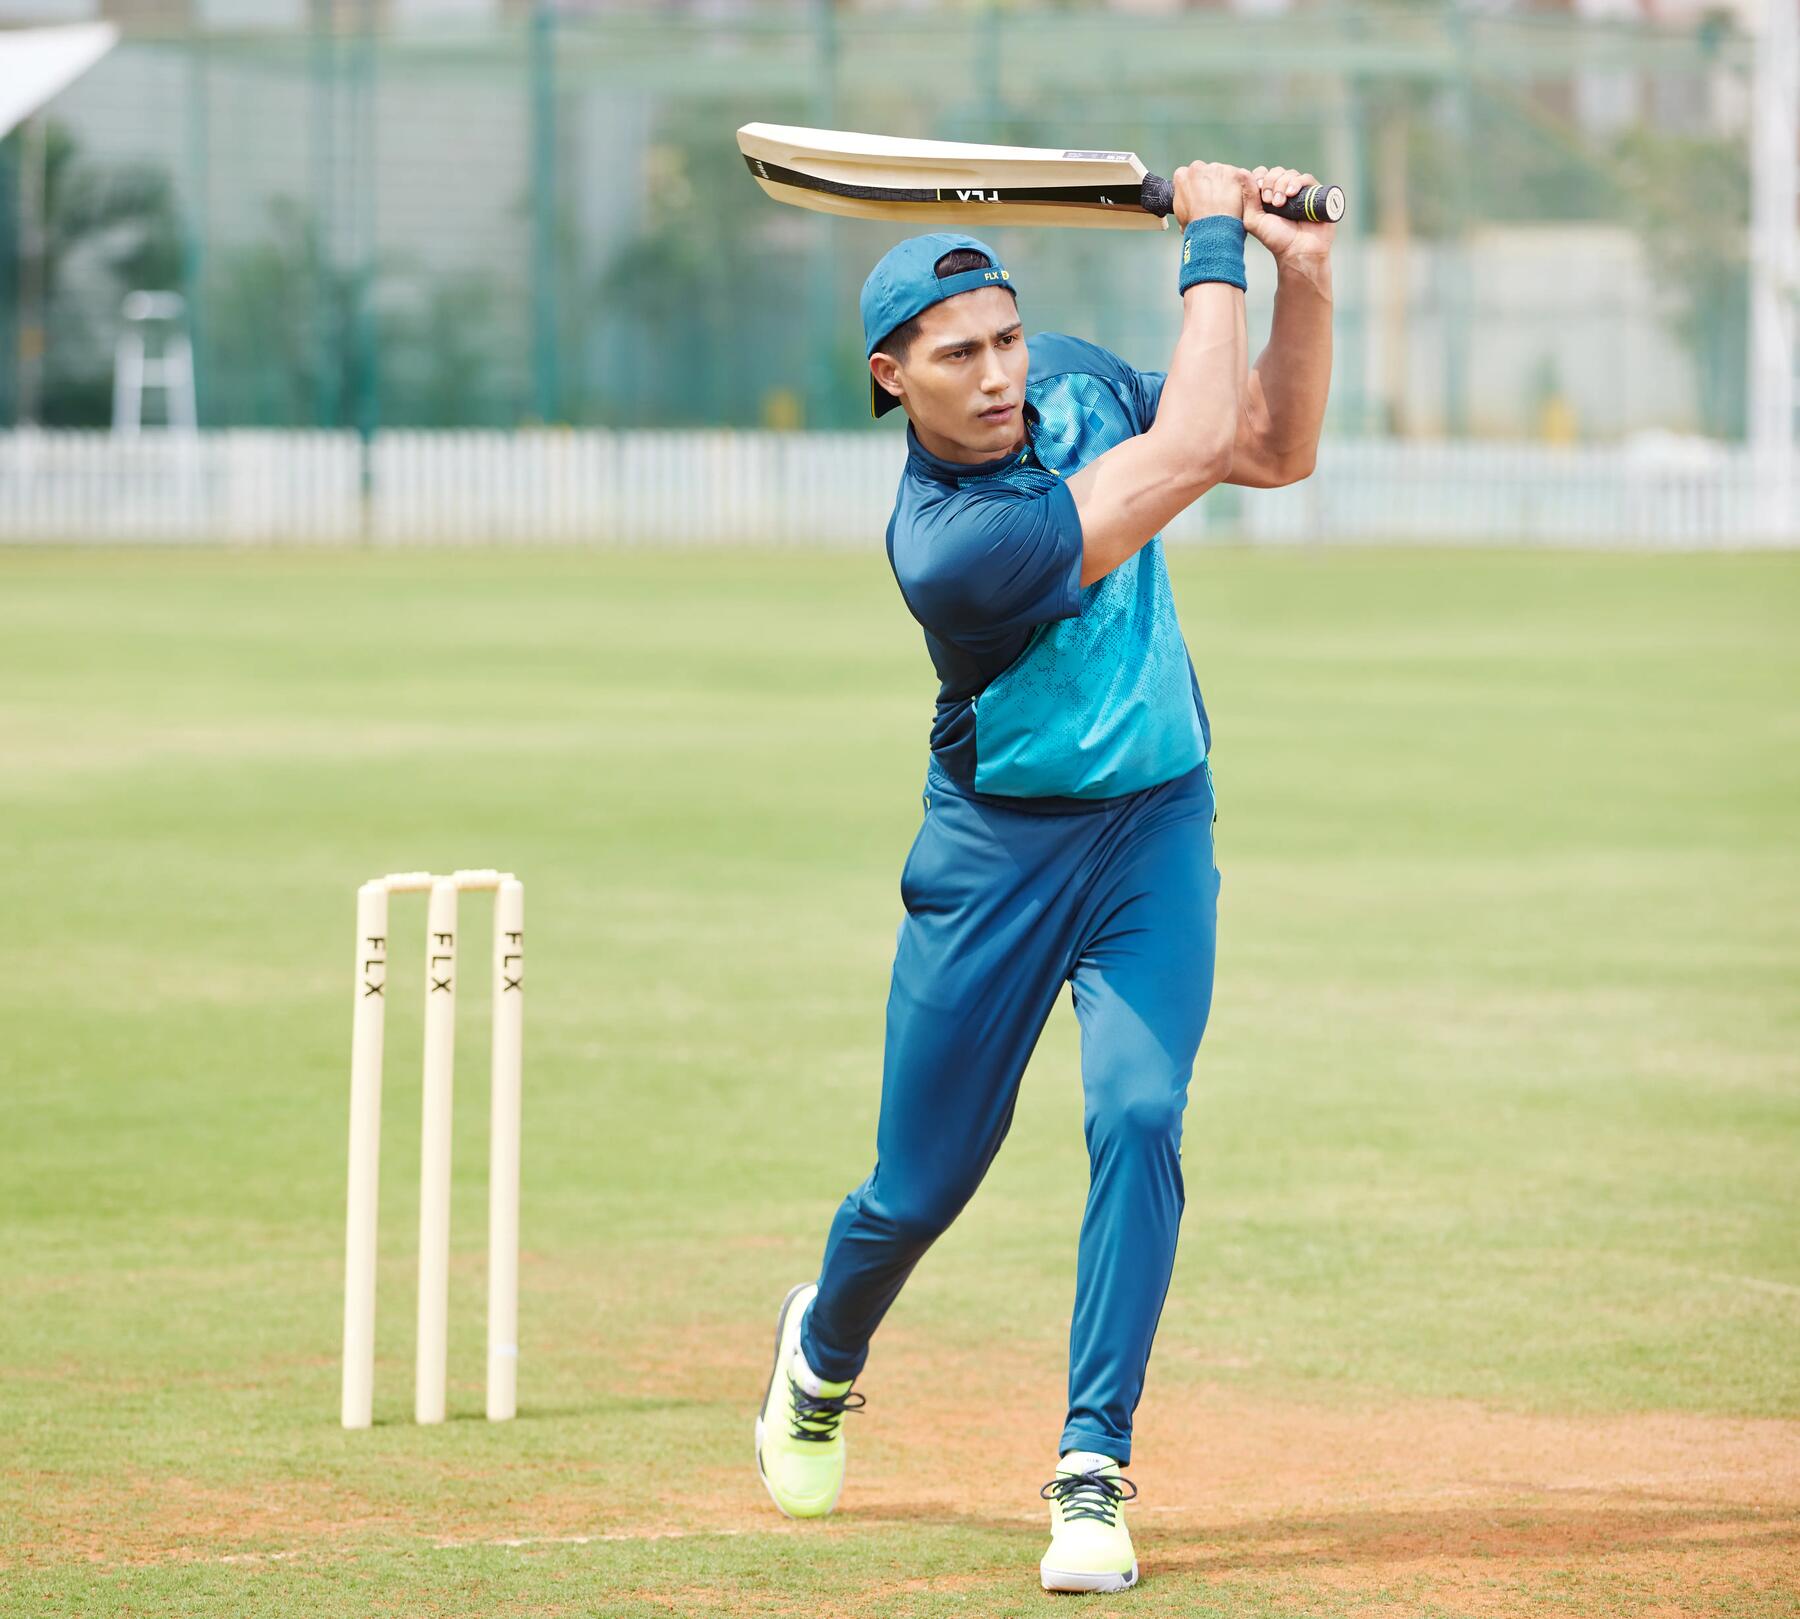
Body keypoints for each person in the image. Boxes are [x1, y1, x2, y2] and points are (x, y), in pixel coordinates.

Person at [754, 160, 1335, 1594]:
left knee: (1140, 1112)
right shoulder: (951, 548)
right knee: (920, 1185)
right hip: (996, 857)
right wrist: (1210, 234)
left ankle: (1091, 1467)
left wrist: (1303, 283)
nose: (1002, 373)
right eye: (960, 356)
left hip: (1150, 826)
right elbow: (1193, 440)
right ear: (894, 380)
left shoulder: (1070, 384)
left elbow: (1265, 448)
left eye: (1009, 339)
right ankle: (823, 1352)